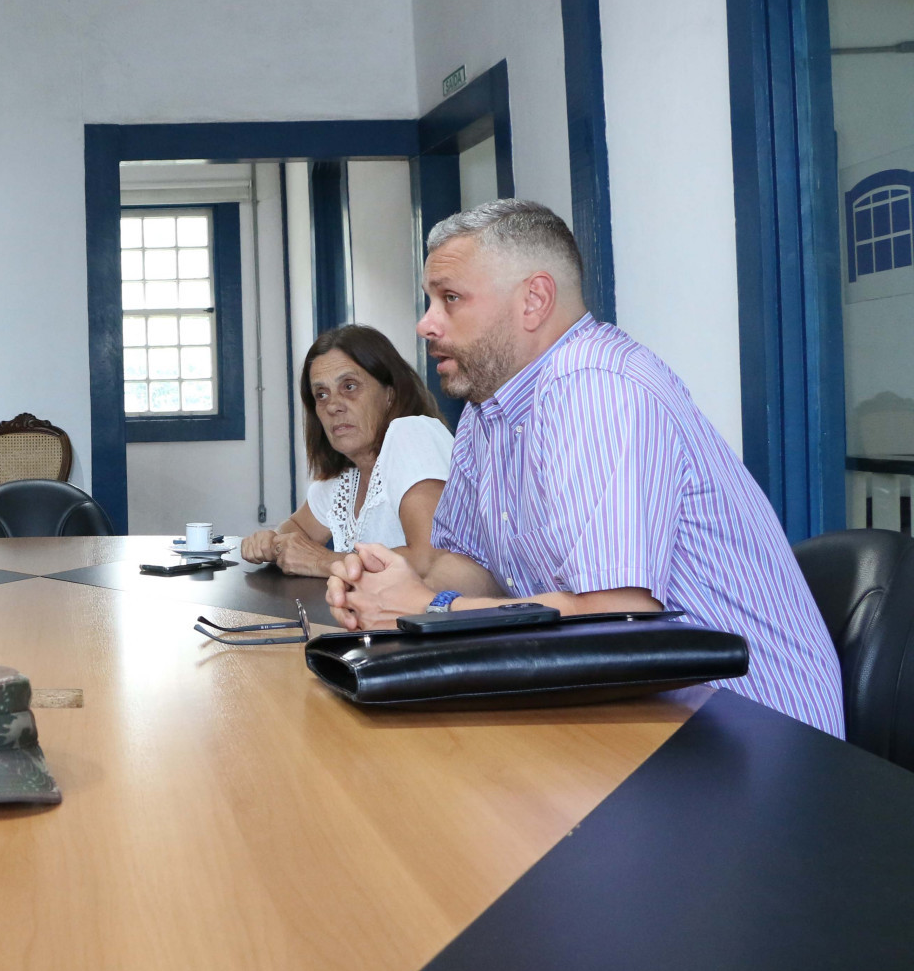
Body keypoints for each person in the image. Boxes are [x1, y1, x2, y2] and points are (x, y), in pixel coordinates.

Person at [325, 199, 845, 736]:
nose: (426, 323)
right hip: (641, 712)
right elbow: (470, 566)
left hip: (755, 734)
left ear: (534, 300)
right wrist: (390, 588)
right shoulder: (489, 409)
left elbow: (618, 618)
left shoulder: (597, 387)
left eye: (450, 299)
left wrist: (432, 609)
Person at [241, 325, 450, 576]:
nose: (333, 406)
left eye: (349, 386)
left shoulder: (413, 432)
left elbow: (432, 559)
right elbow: (296, 530)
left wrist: (324, 561)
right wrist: (270, 542)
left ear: (390, 393)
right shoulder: (344, 479)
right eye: (321, 394)